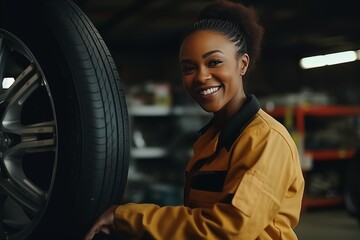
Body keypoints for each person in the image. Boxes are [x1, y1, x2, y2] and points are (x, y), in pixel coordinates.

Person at [84, 0, 305, 239]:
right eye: (189, 68)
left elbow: (229, 230)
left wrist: (128, 217)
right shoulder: (209, 139)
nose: (201, 77)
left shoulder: (266, 141)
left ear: (242, 64)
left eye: (214, 62)